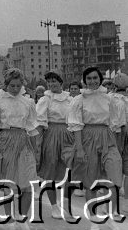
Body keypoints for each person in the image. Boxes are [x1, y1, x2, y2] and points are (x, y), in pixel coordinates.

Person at [68, 66, 125, 229]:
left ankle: (112, 215)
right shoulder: (79, 100)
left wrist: (117, 147)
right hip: (87, 138)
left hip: (107, 137)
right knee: (90, 181)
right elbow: (76, 125)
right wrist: (79, 149)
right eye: (89, 78)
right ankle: (94, 219)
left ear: (100, 79)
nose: (92, 81)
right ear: (84, 81)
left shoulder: (110, 99)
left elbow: (116, 124)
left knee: (114, 179)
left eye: (95, 78)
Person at [0, 68, 39, 230]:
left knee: (27, 183)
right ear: (6, 85)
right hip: (4, 141)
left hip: (23, 141)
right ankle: (10, 220)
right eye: (12, 86)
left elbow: (32, 128)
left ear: (22, 85)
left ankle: (22, 218)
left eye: (18, 86)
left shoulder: (28, 102)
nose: (15, 89)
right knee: (7, 183)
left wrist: (35, 150)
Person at [36, 71, 75, 222]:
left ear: (61, 82)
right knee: (50, 170)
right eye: (49, 82)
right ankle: (54, 206)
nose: (51, 84)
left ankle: (65, 201)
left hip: (68, 134)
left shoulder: (70, 99)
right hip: (51, 134)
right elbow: (40, 122)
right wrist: (38, 143)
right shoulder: (46, 99)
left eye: (54, 81)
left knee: (71, 170)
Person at [111, 73, 128, 199]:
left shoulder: (110, 98)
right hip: (121, 131)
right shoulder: (118, 100)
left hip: (116, 132)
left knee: (115, 163)